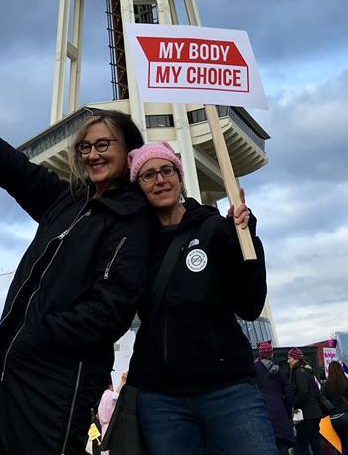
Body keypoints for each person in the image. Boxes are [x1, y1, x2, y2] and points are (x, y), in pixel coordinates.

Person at [0, 91, 150, 455]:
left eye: (104, 145)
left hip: (57, 386)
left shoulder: (130, 219)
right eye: (86, 147)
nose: (93, 154)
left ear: (128, 150)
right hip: (6, 375)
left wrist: (40, 333)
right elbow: (14, 169)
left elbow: (112, 309)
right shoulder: (67, 201)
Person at [125, 141, 277, 455]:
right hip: (161, 398)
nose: (160, 180)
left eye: (167, 170)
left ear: (180, 177)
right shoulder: (135, 245)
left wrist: (246, 241)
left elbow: (249, 304)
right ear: (138, 186)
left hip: (227, 389)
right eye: (148, 175)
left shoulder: (215, 230)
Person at [254, 341, 295, 455]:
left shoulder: (253, 370)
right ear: (271, 354)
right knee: (281, 446)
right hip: (279, 414)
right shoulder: (278, 371)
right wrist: (286, 411)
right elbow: (289, 393)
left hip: (261, 413)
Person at [321, 361, 348, 455]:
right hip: (347, 415)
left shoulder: (326, 385)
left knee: (343, 443)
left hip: (334, 418)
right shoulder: (346, 382)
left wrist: (328, 409)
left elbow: (321, 399)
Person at [288, 348, 324, 455]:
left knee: (302, 444)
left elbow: (303, 392)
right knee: (315, 443)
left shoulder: (299, 372)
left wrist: (294, 404)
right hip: (315, 413)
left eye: (289, 358)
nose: (288, 361)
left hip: (305, 414)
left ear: (295, 358)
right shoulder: (308, 371)